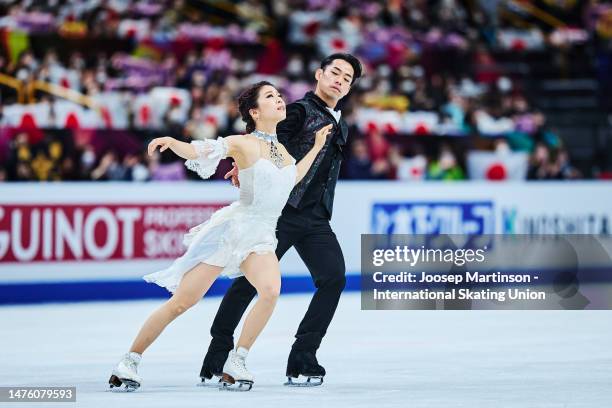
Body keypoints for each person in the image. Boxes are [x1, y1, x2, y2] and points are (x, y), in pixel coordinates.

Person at [108, 81, 332, 392]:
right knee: (183, 302)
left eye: (279, 95)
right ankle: (129, 360)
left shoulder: (281, 150)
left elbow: (294, 176)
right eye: (270, 96)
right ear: (254, 112)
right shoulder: (244, 143)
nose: (279, 100)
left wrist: (318, 147)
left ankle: (237, 360)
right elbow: (204, 149)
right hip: (234, 230)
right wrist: (175, 142)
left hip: (263, 235)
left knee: (270, 290)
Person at [200, 53, 363, 386]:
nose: (339, 80)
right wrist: (242, 163)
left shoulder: (340, 123)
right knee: (250, 282)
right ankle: (218, 355)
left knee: (333, 277)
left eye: (347, 78)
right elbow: (266, 137)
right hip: (281, 212)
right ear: (319, 74)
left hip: (315, 217)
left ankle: (303, 356)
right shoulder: (299, 111)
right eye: (335, 72)